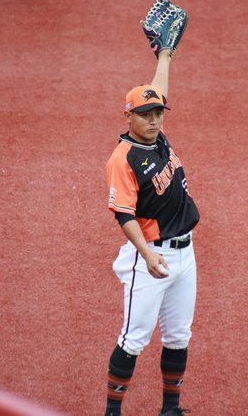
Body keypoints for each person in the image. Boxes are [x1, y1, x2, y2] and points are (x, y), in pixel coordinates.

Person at [103, 47, 200, 416]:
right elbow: (123, 214)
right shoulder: (123, 159)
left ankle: (170, 409)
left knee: (178, 336)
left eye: (158, 113)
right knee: (134, 339)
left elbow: (158, 91)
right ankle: (112, 413)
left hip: (185, 255)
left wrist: (165, 57)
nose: (154, 120)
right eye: (145, 115)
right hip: (149, 258)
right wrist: (146, 254)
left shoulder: (158, 138)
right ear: (129, 116)